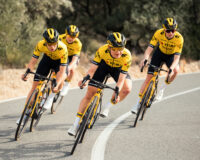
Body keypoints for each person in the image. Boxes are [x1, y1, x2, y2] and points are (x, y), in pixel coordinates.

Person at [68, 32, 132, 136]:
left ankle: (108, 106)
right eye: (115, 49)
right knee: (89, 94)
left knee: (127, 89)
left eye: (121, 48)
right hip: (103, 67)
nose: (118, 52)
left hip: (118, 70)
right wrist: (86, 79)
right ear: (109, 47)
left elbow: (121, 78)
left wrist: (117, 91)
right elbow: (92, 70)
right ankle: (75, 125)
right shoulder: (102, 50)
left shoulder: (126, 55)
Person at [131, 18, 184, 114]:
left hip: (171, 56)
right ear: (164, 30)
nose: (170, 33)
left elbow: (176, 58)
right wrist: (145, 58)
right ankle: (138, 104)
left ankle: (162, 89)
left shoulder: (179, 38)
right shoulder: (158, 33)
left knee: (176, 70)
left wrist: (171, 69)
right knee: (148, 78)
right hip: (159, 54)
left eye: (173, 31)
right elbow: (149, 48)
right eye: (168, 31)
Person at [16, 28, 68, 124]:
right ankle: (24, 113)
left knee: (59, 82)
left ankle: (52, 95)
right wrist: (27, 72)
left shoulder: (63, 48)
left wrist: (57, 82)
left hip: (59, 63)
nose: (52, 47)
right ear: (45, 42)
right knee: (34, 87)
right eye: (49, 44)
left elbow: (62, 70)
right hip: (47, 60)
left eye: (54, 44)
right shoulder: (40, 44)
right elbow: (33, 61)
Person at [59, 25, 82, 96]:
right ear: (66, 34)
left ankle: (67, 84)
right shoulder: (60, 38)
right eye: (69, 36)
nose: (71, 39)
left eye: (73, 37)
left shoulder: (78, 44)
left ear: (76, 37)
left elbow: (74, 59)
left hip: (72, 56)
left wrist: (68, 67)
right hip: (62, 54)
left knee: (72, 69)